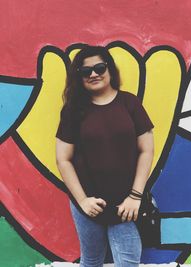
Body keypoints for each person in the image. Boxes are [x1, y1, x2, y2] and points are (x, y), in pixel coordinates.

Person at [55, 45, 154, 267]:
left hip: (126, 204)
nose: (93, 74)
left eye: (99, 67)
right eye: (85, 71)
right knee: (91, 261)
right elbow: (63, 159)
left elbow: (146, 150)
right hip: (88, 203)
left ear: (110, 69)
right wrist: (82, 201)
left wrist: (135, 196)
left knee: (128, 262)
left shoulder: (130, 103)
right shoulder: (73, 110)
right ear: (78, 77)